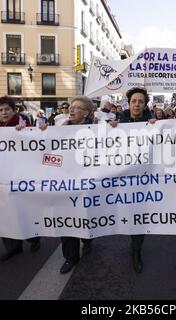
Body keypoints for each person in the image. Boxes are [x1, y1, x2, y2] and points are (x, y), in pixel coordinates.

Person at [0, 96, 42, 261]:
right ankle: (13, 246)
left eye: (7, 109)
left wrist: (25, 132)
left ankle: (33, 237)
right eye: (0, 110)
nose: (4, 113)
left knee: (23, 209)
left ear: (13, 110)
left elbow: (37, 141)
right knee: (5, 212)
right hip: (1, 176)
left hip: (22, 177)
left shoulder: (24, 124)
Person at [110, 87, 155, 273]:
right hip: (122, 179)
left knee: (140, 214)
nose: (137, 104)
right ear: (128, 103)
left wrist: (157, 126)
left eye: (141, 101)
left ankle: (136, 250)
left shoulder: (153, 122)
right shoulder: (117, 121)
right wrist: (109, 129)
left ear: (145, 105)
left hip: (144, 179)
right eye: (134, 101)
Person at [59, 96, 95, 274]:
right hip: (66, 183)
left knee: (86, 216)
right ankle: (70, 258)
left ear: (87, 113)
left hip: (88, 183)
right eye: (71, 107)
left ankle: (88, 239)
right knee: (67, 219)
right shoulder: (59, 130)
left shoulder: (97, 130)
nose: (71, 110)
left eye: (77, 108)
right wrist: (41, 131)